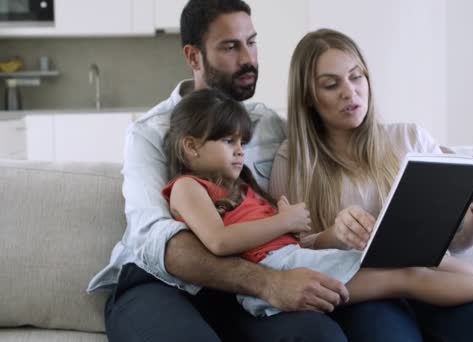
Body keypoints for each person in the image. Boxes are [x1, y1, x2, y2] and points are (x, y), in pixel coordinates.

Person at [162, 87, 473, 320]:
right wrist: (283, 220)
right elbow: (218, 241)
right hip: (281, 277)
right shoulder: (187, 187)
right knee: (407, 275)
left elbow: (281, 239)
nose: (240, 152)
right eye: (227, 142)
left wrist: (289, 225)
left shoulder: (241, 187)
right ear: (190, 145)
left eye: (242, 142)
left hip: (296, 260)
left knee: (417, 255)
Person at [269, 28, 473, 341]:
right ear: (308, 97)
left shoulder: (410, 138)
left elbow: (458, 243)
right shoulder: (292, 160)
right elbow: (286, 256)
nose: (349, 91)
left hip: (442, 281)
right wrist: (335, 234)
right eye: (331, 84)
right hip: (368, 297)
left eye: (356, 77)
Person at [86, 1, 355, 341]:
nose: (248, 58)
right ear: (193, 56)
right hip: (160, 283)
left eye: (251, 42)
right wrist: (268, 283)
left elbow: (334, 144)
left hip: (244, 290)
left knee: (319, 335)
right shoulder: (151, 133)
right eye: (230, 46)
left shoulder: (268, 125)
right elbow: (158, 242)